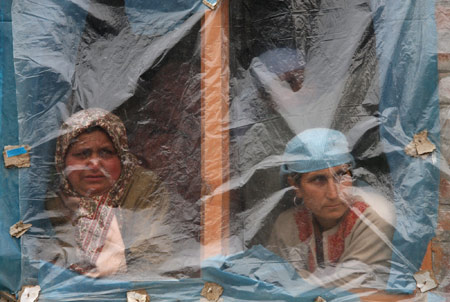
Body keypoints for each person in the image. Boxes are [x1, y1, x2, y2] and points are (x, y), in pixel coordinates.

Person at [45, 108, 172, 278]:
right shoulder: (51, 203)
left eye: (106, 152)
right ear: (62, 161)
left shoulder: (144, 189)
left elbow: (155, 256)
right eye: (83, 154)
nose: (95, 164)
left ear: (121, 156)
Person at [267, 128, 395, 289]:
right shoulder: (288, 225)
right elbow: (273, 283)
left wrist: (298, 281)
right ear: (295, 186)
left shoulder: (375, 215)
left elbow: (348, 291)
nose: (334, 194)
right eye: (318, 179)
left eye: (341, 175)